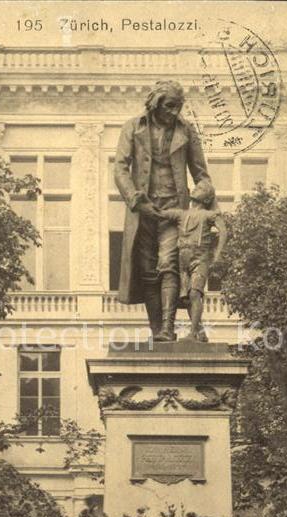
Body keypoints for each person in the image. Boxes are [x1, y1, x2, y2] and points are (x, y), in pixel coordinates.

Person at [114, 80, 212, 341]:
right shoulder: (133, 128)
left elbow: (202, 174)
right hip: (142, 210)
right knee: (147, 271)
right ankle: (157, 330)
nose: (174, 112)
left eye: (178, 107)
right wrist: (135, 198)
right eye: (169, 106)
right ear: (156, 104)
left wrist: (204, 197)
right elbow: (121, 169)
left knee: (168, 265)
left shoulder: (187, 131)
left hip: (174, 209)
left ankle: (168, 328)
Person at [160, 180, 227, 342]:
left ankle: (192, 333)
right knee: (188, 297)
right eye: (197, 187)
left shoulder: (210, 215)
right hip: (184, 262)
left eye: (202, 188)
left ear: (207, 199)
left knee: (195, 293)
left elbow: (223, 231)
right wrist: (143, 203)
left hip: (200, 259)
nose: (197, 188)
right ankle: (201, 332)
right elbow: (159, 213)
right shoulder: (181, 214)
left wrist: (218, 254)